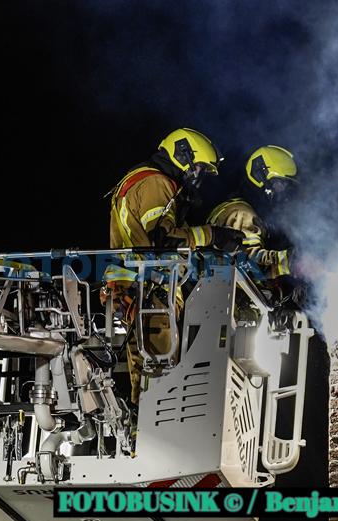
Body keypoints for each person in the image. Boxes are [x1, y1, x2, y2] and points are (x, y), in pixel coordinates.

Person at [104, 128, 242, 405]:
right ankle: (147, 439)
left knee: (148, 373)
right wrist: (212, 235)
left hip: (137, 287)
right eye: (200, 169)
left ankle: (139, 439)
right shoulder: (156, 183)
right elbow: (162, 240)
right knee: (159, 374)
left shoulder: (141, 179)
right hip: (148, 290)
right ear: (183, 156)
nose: (199, 179)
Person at [207, 145, 298, 281]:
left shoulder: (249, 213)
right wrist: (291, 261)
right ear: (260, 176)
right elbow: (248, 266)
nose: (283, 191)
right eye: (280, 183)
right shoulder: (241, 213)